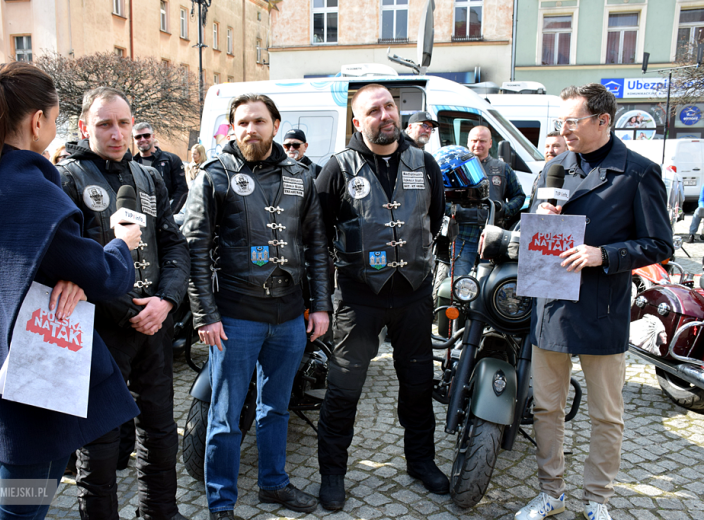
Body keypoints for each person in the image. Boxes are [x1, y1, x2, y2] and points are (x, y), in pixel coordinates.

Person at [0, 61, 142, 520]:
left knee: (33, 491)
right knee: (22, 505)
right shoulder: (29, 188)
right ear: (37, 121)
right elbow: (104, 275)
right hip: (33, 365)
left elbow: (15, 258)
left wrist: (63, 272)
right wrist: (121, 244)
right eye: (53, 118)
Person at [519, 83, 673, 520]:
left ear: (602, 121)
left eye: (572, 121)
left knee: (606, 414)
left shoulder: (638, 172)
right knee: (547, 407)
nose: (563, 129)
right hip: (551, 306)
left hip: (602, 307)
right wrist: (537, 220)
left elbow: (660, 244)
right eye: (560, 122)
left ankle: (598, 499)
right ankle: (552, 492)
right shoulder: (552, 169)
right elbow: (528, 228)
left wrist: (604, 254)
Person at [183, 93, 330, 520]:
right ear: (232, 128)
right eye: (242, 122)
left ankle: (273, 484)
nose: (250, 129)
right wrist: (204, 315)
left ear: (275, 124)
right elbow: (194, 248)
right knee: (225, 417)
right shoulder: (215, 176)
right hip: (235, 317)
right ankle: (221, 503)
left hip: (288, 318)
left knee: (276, 409)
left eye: (259, 121)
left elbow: (317, 246)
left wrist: (320, 306)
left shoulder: (302, 177)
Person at [58, 88, 190, 520]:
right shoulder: (68, 178)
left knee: (160, 430)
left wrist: (167, 302)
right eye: (104, 124)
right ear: (84, 127)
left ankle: (161, 512)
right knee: (99, 440)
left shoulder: (149, 176)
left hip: (155, 325)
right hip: (99, 329)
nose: (117, 134)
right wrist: (131, 311)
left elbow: (174, 245)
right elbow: (67, 260)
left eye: (123, 123)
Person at [315, 84, 447, 510]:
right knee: (343, 388)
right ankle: (333, 473)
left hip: (413, 294)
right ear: (358, 122)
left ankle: (420, 461)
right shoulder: (339, 168)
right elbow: (318, 235)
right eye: (374, 110)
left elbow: (435, 216)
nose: (385, 115)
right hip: (359, 298)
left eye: (390, 106)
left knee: (417, 383)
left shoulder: (423, 162)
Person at [450, 125, 525, 277]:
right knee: (459, 283)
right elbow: (440, 197)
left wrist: (504, 210)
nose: (478, 145)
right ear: (468, 142)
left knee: (489, 286)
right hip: (463, 236)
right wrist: (453, 211)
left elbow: (519, 196)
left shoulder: (503, 168)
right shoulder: (454, 167)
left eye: (482, 141)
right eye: (474, 140)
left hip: (493, 237)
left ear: (491, 143)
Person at [132, 122, 188, 213]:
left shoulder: (171, 160)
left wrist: (168, 214)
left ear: (153, 137)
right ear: (133, 139)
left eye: (146, 135)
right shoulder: (131, 164)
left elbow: (182, 190)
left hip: (165, 216)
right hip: (140, 218)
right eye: (138, 137)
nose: (142, 139)